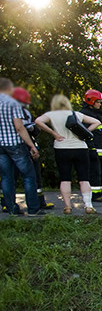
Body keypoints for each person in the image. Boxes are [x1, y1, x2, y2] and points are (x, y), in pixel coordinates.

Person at [34, 94, 101, 214]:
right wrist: (85, 132)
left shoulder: (51, 115)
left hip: (62, 148)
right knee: (84, 179)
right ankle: (88, 206)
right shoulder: (76, 114)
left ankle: (68, 207)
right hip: (80, 148)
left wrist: (53, 133)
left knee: (65, 179)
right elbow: (97, 122)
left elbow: (38, 121)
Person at [0, 77, 42, 216]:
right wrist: (31, 145)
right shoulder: (13, 103)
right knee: (29, 176)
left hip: (0, 146)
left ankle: (12, 209)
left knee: (7, 177)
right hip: (15, 144)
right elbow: (19, 127)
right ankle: (33, 209)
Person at [13, 86, 53, 209]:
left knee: (32, 174)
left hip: (20, 145)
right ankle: (34, 203)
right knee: (26, 175)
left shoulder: (24, 112)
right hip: (20, 146)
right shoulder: (19, 112)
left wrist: (34, 129)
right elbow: (23, 129)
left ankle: (38, 202)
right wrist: (33, 129)